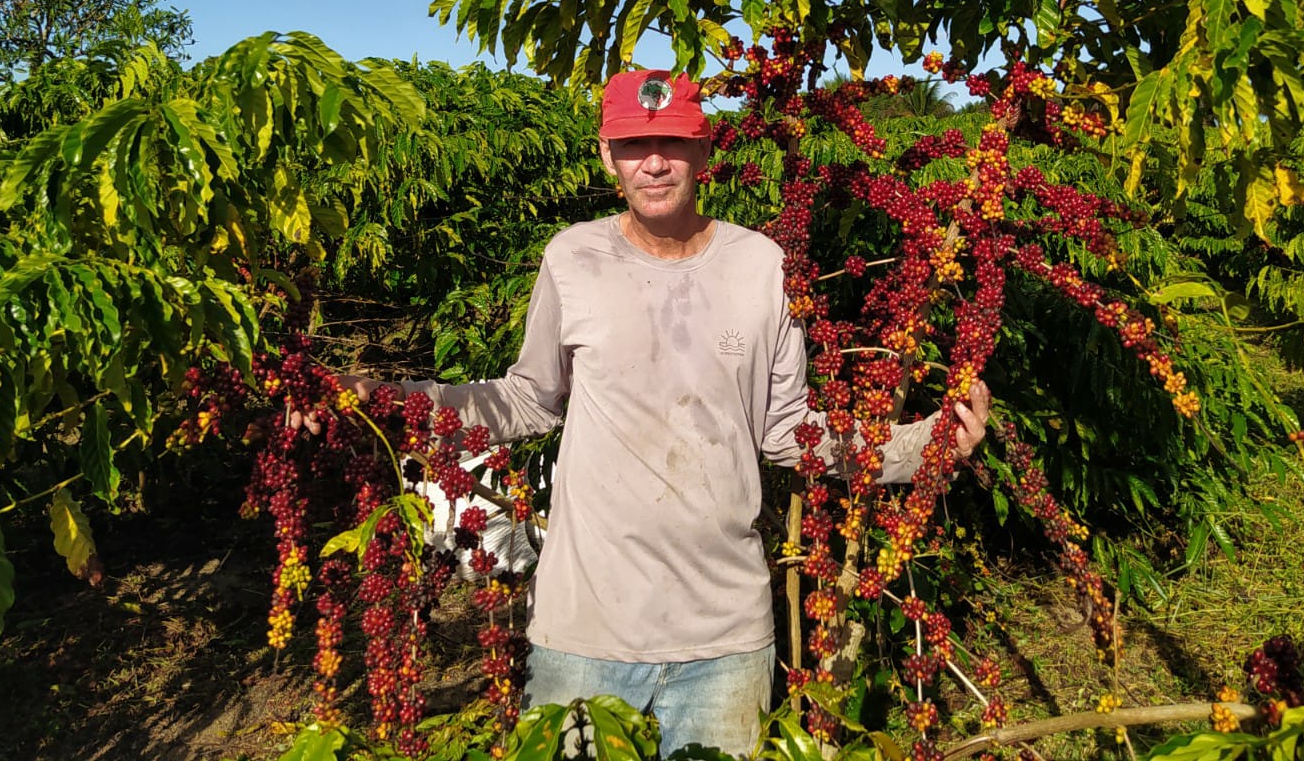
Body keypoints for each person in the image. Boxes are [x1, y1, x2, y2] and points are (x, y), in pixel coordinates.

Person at [315, 69, 991, 755]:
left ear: (704, 153)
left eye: (674, 142)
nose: (656, 162)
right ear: (608, 157)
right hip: (584, 636)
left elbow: (790, 433)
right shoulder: (574, 258)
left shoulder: (761, 266)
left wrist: (926, 444)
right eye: (635, 146)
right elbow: (525, 399)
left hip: (724, 642)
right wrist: (391, 401)